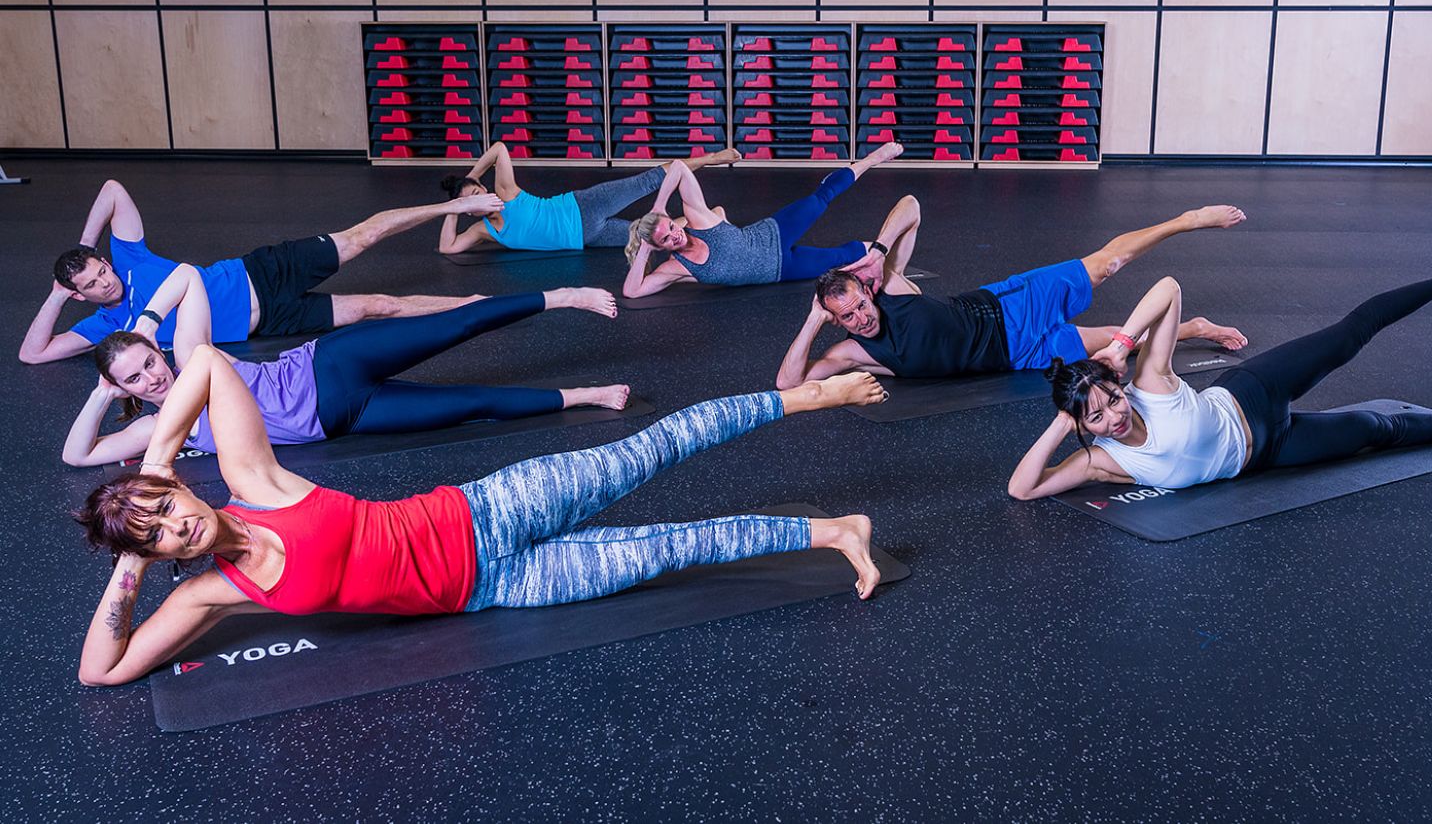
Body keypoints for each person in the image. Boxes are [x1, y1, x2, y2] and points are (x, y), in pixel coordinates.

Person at [73, 361, 889, 687]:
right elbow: (101, 672)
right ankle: (836, 532)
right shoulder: (213, 592)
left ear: (180, 488)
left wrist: (158, 461)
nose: (179, 525)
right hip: (501, 586)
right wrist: (129, 562)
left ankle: (810, 394)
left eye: (170, 507)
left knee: (659, 445)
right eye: (161, 534)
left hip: (493, 507)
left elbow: (210, 364)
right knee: (677, 549)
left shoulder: (254, 480)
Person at [62, 262, 627, 467]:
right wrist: (100, 392)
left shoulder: (188, 356)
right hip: (347, 415)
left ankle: (562, 296)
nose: (152, 377)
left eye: (147, 364)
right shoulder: (155, 428)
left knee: (458, 323)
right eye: (134, 378)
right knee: (471, 406)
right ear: (121, 388)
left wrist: (149, 323)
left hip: (329, 365)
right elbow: (77, 455)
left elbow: (186, 274)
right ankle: (584, 395)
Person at [1007, 275, 1432, 499]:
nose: (1116, 417)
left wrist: (1122, 345)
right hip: (1271, 452)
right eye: (1096, 418)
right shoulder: (1100, 461)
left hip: (1253, 392)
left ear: (1121, 384)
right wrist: (1063, 425)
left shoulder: (1150, 383)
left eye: (1114, 401)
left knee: (1351, 335)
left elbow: (1169, 287)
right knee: (1376, 430)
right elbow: (1022, 489)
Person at [776, 197, 1249, 389]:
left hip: (1009, 306)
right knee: (1115, 341)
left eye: (860, 303)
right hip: (1017, 355)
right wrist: (814, 319)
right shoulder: (852, 351)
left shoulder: (892, 286)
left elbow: (912, 207)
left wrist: (879, 251)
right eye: (848, 315)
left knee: (1107, 264)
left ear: (866, 288)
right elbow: (788, 384)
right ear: (836, 320)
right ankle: (1194, 327)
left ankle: (1185, 220)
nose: (861, 316)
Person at [21, 179, 501, 364]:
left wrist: (83, 247)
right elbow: (32, 354)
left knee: (361, 237)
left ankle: (453, 205)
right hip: (270, 321)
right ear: (80, 295)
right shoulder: (102, 325)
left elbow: (112, 191)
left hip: (260, 273)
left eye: (100, 269)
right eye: (92, 284)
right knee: (375, 307)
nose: (106, 280)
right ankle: (474, 307)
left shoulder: (128, 257)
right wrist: (58, 294)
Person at [621, 142, 906, 298]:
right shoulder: (676, 268)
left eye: (671, 227)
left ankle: (872, 158)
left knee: (821, 199)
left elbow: (680, 168)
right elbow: (632, 291)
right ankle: (889, 255)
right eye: (666, 239)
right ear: (660, 247)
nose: (675, 235)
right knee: (845, 257)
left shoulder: (698, 220)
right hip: (782, 269)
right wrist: (645, 247)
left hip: (774, 233)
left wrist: (658, 206)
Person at [437, 141, 740, 254]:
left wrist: (473, 176)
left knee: (649, 180)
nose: (481, 197)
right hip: (586, 238)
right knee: (650, 237)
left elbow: (499, 148)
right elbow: (447, 247)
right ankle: (709, 215)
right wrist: (454, 207)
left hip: (583, 205)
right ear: (468, 210)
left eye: (479, 191)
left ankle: (710, 157)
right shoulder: (483, 230)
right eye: (472, 201)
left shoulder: (505, 193)